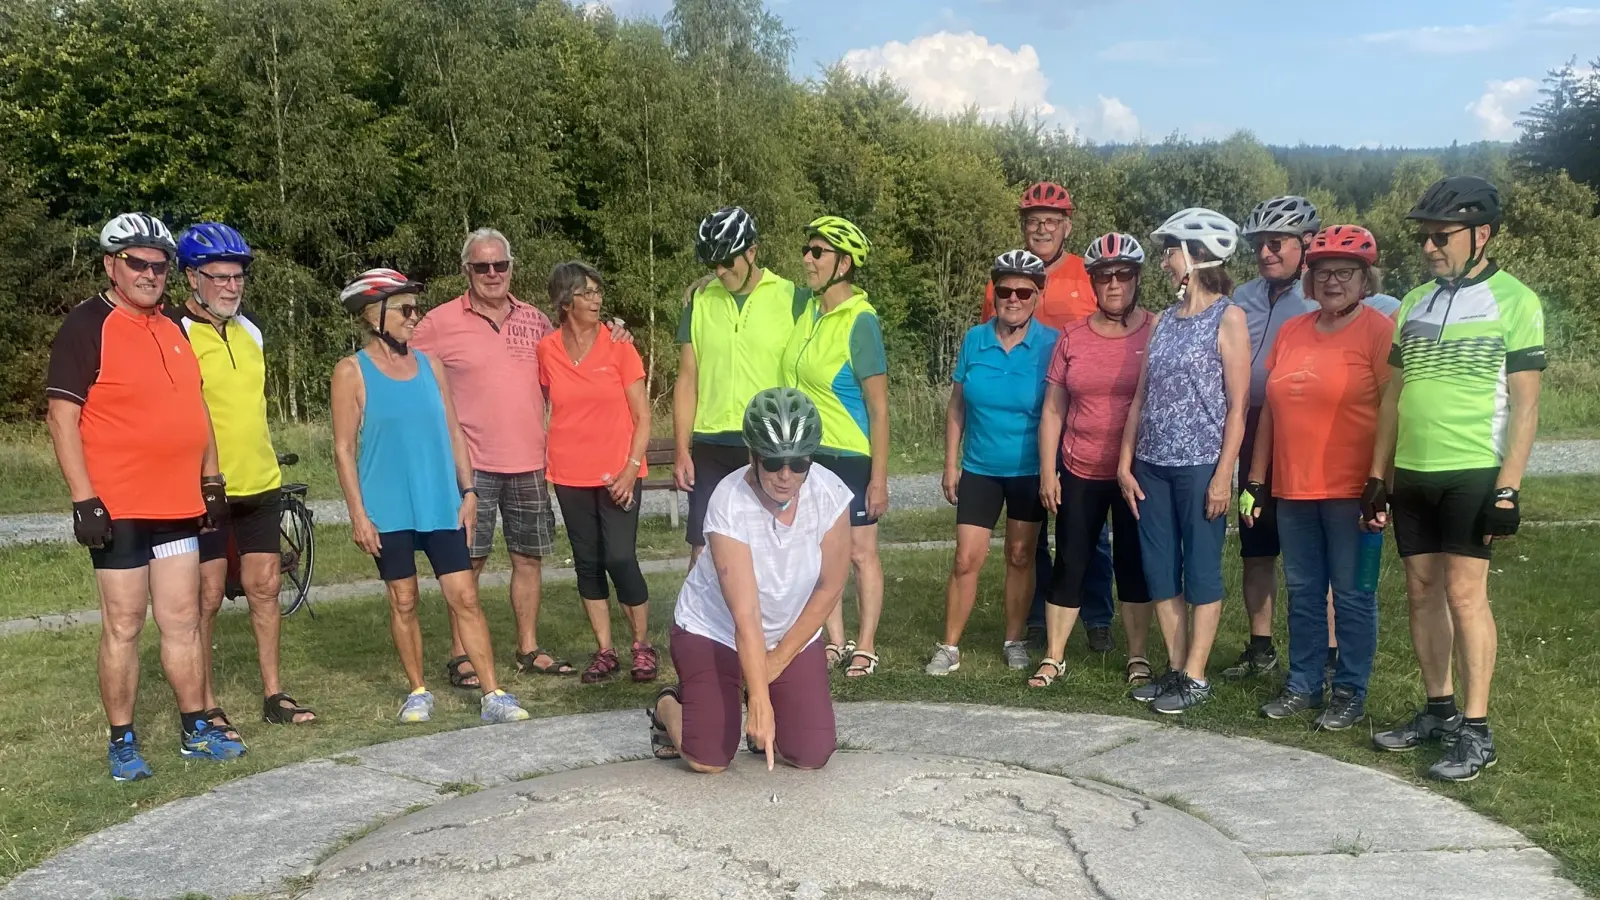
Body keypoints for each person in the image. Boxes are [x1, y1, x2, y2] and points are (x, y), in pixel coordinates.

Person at [46, 213, 242, 781]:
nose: (150, 274)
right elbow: (62, 416)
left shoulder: (174, 327)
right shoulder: (87, 326)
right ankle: (123, 741)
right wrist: (84, 499)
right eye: (137, 263)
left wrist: (211, 481)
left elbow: (195, 409)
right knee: (125, 624)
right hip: (120, 507)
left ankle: (195, 730)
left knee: (181, 621)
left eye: (159, 265)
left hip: (177, 504)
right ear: (112, 264)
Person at [1365, 177, 1545, 781]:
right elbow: (1393, 396)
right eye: (1423, 238)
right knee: (1420, 592)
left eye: (1441, 237)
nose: (1429, 248)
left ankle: (1477, 728)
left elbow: (1527, 405)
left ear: (1481, 234)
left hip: (1473, 469)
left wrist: (1509, 486)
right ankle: (1438, 710)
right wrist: (1376, 474)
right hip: (1413, 470)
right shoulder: (1414, 302)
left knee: (1466, 595)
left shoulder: (1515, 301)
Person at [330, 268, 529, 725]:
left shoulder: (430, 365)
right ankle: (418, 690)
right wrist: (358, 515)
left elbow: (454, 430)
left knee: (465, 596)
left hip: (439, 500)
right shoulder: (350, 372)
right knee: (403, 599)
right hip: (389, 506)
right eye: (405, 309)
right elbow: (343, 449)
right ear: (373, 314)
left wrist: (469, 490)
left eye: (415, 308)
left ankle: (493, 692)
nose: (414, 317)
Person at [1227, 198, 1404, 681]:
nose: (1332, 281)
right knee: (1284, 569)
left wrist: (1380, 478)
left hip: (1345, 472)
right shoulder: (1258, 308)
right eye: (1258, 244)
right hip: (1274, 449)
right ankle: (1285, 667)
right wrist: (1257, 478)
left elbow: (1392, 404)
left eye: (1344, 272)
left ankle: (1342, 676)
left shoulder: (1376, 321)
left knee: (1345, 586)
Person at [648, 388, 851, 773]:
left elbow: (829, 589)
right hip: (715, 630)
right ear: (752, 456)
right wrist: (759, 698)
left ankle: (741, 690)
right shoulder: (729, 502)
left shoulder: (829, 494)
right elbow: (745, 613)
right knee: (708, 759)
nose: (786, 475)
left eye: (799, 462)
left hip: (788, 630)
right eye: (773, 462)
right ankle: (667, 707)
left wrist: (773, 664)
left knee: (812, 754)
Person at [170, 223, 316, 735]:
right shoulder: (176, 334)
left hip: (260, 481)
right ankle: (205, 700)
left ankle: (273, 693)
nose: (232, 286)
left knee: (266, 587)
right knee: (207, 595)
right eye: (220, 277)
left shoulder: (250, 332)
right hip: (204, 487)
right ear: (192, 278)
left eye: (239, 277)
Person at [410, 229, 565, 685]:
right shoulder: (438, 322)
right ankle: (461, 656)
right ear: (467, 271)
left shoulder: (535, 320)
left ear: (512, 267)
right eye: (482, 266)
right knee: (468, 562)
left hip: (529, 460)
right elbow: (403, 368)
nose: (493, 274)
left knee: (528, 557)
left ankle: (528, 647)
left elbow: (570, 357)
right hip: (469, 466)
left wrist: (613, 331)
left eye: (500, 265)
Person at [1118, 208, 1250, 714]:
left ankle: (1196, 675)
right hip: (1152, 464)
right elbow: (1140, 397)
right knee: (1160, 572)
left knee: (1199, 571)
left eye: (1170, 251)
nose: (1165, 262)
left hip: (1200, 467)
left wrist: (1223, 477)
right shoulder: (1166, 321)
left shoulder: (1228, 316)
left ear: (1195, 255)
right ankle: (1174, 669)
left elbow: (1238, 406)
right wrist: (1125, 462)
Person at [980, 182, 1116, 654]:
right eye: (1034, 220)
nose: (1042, 227)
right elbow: (991, 335)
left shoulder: (1086, 273)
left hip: (1080, 416)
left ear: (1067, 227)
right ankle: (1037, 615)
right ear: (1023, 226)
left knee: (1088, 523)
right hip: (1024, 421)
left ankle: (1097, 615)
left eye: (1052, 221)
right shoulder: (1006, 276)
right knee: (1030, 529)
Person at [1031, 234, 1156, 689]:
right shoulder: (1073, 336)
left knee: (1133, 563)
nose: (1114, 283)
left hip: (1136, 474)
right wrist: (1049, 470)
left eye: (1123, 275)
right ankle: (1054, 656)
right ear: (1093, 284)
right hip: (1079, 467)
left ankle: (1138, 656)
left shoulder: (1156, 331)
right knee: (1071, 560)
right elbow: (1053, 409)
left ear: (1137, 279)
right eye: (1104, 277)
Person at [927, 251, 1058, 676]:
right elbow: (957, 407)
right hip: (980, 468)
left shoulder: (1051, 344)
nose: (1013, 298)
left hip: (1028, 471)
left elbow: (1060, 411)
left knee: (1021, 555)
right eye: (1005, 290)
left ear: (1037, 295)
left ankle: (1015, 639)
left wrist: (1052, 470)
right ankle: (948, 646)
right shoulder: (973, 340)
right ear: (994, 293)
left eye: (1024, 291)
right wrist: (951, 464)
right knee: (966, 558)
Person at [537, 262, 657, 684]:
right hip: (569, 472)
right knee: (587, 563)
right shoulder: (546, 349)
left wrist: (628, 470)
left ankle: (642, 646)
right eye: (586, 293)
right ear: (565, 301)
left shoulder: (619, 345)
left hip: (618, 472)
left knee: (621, 557)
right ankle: (605, 651)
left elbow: (643, 417)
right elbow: (545, 403)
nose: (596, 299)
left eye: (598, 292)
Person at [782, 216, 890, 677]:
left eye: (817, 252)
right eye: (807, 250)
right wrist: (707, 280)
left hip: (849, 453)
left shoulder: (860, 321)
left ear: (844, 263)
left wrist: (879, 479)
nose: (807, 259)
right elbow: (751, 285)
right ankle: (834, 639)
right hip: (810, 453)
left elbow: (880, 408)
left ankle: (865, 644)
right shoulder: (808, 310)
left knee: (860, 552)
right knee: (818, 551)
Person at [674, 207, 809, 571]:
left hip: (770, 440)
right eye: (712, 264)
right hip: (712, 441)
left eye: (726, 261)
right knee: (704, 548)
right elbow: (687, 380)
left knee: (773, 544)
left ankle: (773, 627)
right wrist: (681, 450)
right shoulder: (700, 301)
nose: (719, 272)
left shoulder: (793, 298)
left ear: (753, 251)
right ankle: (698, 626)